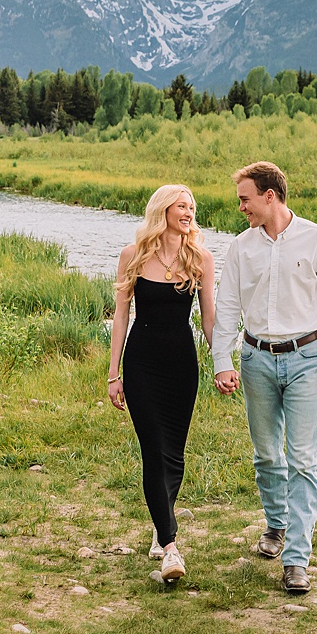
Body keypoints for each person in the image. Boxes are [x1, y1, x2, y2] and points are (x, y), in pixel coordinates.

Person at [213, 160, 317, 595]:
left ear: (269, 196)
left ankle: (296, 559)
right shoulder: (241, 247)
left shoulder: (316, 238)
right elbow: (228, 309)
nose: (241, 207)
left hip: (306, 359)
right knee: (266, 455)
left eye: (245, 198)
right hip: (256, 359)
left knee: (302, 459)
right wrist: (223, 360)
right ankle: (275, 525)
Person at [107, 184, 216, 584]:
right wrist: (113, 373)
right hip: (142, 363)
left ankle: (160, 521)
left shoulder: (201, 258)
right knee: (154, 447)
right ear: (163, 210)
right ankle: (170, 548)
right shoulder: (132, 256)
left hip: (181, 364)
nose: (188, 213)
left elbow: (208, 321)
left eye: (192, 207)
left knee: (174, 453)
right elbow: (120, 316)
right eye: (181, 206)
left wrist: (224, 363)